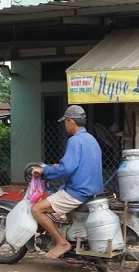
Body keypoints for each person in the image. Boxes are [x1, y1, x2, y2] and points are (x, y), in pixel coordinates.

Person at [31, 105, 104, 259]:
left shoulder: (74, 140)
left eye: (65, 121)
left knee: (36, 209)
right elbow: (79, 164)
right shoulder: (91, 139)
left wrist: (45, 171)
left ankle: (61, 243)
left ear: (71, 121)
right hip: (93, 189)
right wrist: (57, 167)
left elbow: (67, 169)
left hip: (78, 191)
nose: (65, 125)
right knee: (60, 195)